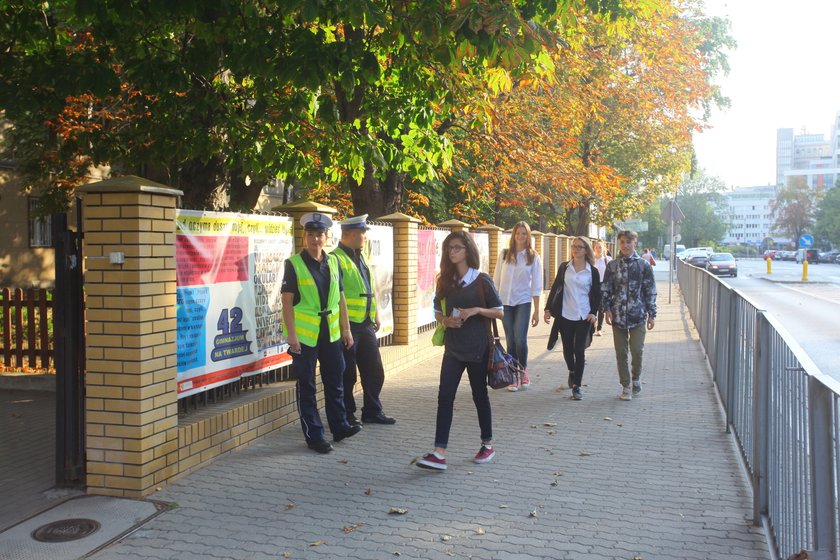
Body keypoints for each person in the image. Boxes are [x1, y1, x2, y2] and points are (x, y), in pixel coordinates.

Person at [417, 231, 504, 471]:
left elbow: (499, 311)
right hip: (453, 349)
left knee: (479, 396)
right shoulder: (444, 280)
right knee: (444, 397)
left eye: (457, 247)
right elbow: (436, 309)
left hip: (478, 348)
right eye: (449, 248)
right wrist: (445, 320)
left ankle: (487, 444)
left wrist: (476, 310)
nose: (452, 252)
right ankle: (439, 452)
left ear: (468, 250)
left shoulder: (481, 280)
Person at [281, 212, 361, 454]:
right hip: (305, 336)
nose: (315, 239)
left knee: (335, 381)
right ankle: (314, 435)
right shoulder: (294, 264)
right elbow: (286, 302)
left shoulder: (334, 262)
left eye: (320, 235)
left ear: (327, 237)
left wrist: (346, 329)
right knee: (307, 386)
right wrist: (292, 336)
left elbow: (341, 298)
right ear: (305, 236)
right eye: (311, 235)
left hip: (332, 333)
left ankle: (339, 426)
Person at [332, 214, 396, 426]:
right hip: (348, 326)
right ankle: (347, 415)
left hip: (365, 324)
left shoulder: (361, 256)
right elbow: (336, 294)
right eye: (362, 233)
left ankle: (372, 411)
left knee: (374, 370)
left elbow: (370, 288)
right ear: (350, 234)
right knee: (347, 374)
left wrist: (376, 313)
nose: (365, 237)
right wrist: (344, 326)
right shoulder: (335, 259)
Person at [601, 230, 657, 401]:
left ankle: (636, 377)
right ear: (619, 244)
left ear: (635, 243)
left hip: (638, 315)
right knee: (621, 352)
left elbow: (650, 290)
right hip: (617, 316)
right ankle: (625, 385)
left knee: (637, 350)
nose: (625, 245)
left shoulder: (643, 265)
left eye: (628, 242)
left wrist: (652, 314)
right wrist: (607, 309)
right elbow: (606, 289)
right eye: (622, 242)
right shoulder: (612, 266)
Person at [543, 237, 600, 400]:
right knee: (567, 349)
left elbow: (597, 295)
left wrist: (594, 313)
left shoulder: (592, 271)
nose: (575, 249)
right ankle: (572, 371)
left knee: (579, 350)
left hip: (583, 315)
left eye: (579, 247)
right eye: (573, 246)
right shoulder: (564, 268)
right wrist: (548, 308)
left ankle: (577, 386)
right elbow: (555, 289)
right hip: (565, 314)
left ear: (586, 250)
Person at [492, 221, 543, 392]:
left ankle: (523, 372)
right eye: (518, 233)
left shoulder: (533, 257)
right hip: (505, 302)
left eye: (524, 234)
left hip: (523, 302)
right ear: (513, 235)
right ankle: (512, 375)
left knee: (520, 339)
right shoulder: (504, 254)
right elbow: (496, 281)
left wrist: (537, 310)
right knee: (511, 340)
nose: (521, 236)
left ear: (528, 236)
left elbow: (536, 286)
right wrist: (493, 305)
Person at [593, 241, 611, 337]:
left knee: (601, 308)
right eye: (596, 247)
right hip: (593, 285)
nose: (598, 249)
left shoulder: (608, 260)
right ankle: (592, 325)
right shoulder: (591, 260)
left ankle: (599, 328)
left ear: (604, 248)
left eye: (600, 247)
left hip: (603, 285)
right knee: (592, 306)